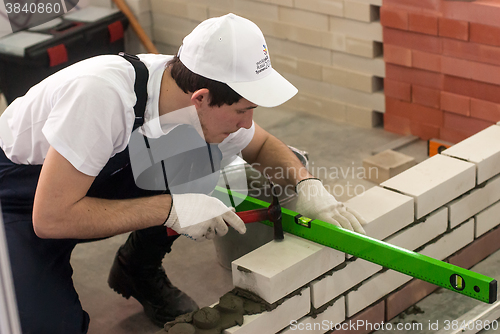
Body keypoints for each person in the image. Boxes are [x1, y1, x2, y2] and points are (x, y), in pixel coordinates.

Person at [0, 13, 366, 334]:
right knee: (48, 326)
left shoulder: (187, 89)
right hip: (18, 202)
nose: (248, 122)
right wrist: (173, 208)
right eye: (242, 110)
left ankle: (137, 269)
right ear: (201, 98)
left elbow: (261, 145)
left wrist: (307, 186)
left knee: (209, 160)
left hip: (87, 185)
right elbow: (50, 218)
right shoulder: (102, 97)